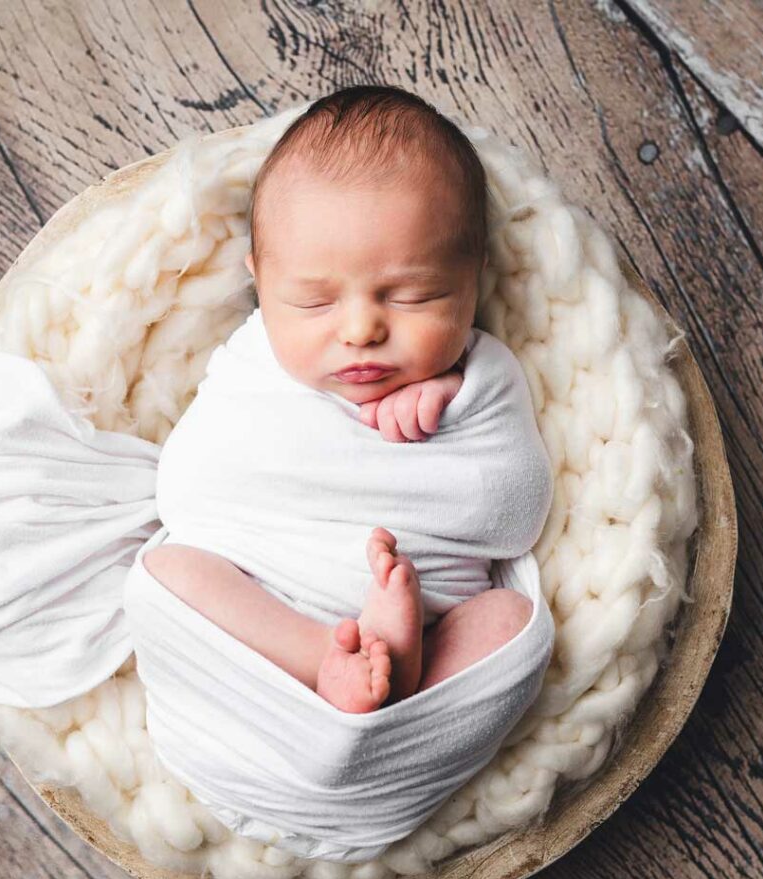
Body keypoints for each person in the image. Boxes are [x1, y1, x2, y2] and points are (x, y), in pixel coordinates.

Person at [142, 84, 552, 715]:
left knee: (510, 618)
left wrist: (451, 397)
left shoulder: (482, 374)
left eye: (411, 297)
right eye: (313, 302)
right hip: (268, 609)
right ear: (261, 281)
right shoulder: (253, 361)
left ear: (473, 278)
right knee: (169, 572)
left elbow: (516, 516)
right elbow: (190, 490)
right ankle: (325, 656)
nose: (360, 330)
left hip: (434, 620)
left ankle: (403, 678)